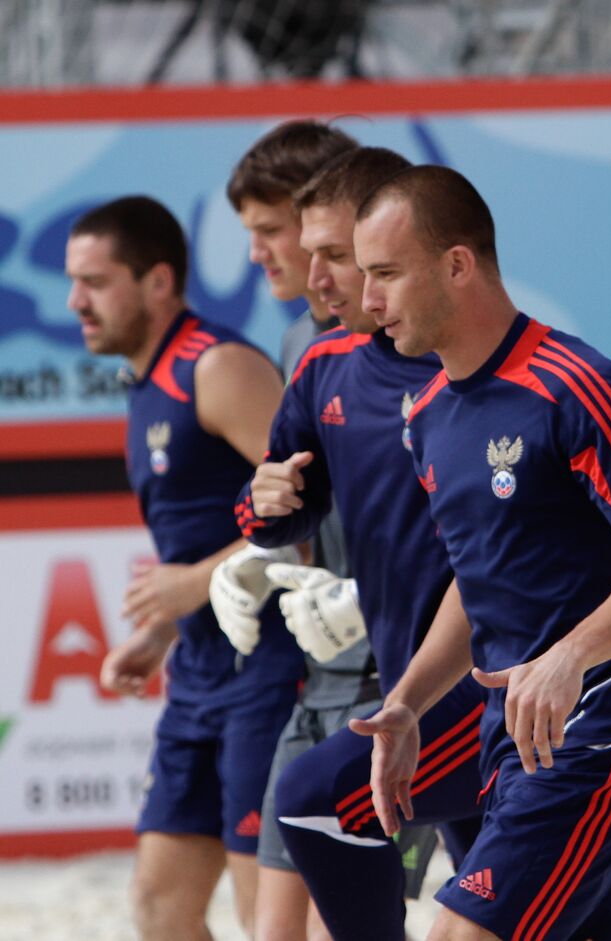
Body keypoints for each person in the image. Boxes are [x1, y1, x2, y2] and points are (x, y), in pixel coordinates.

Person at [348, 164, 611, 941]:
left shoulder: (573, 383)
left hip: (608, 737)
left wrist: (571, 655)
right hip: (512, 745)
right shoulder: (429, 413)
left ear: (458, 265)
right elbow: (481, 581)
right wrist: (407, 701)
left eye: (385, 274)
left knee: (455, 932)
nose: (367, 302)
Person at [233, 145, 486, 941]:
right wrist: (261, 507)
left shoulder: (513, 377)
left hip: (507, 702)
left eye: (336, 256)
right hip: (411, 698)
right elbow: (278, 508)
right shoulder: (323, 365)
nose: (318, 279)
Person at [68, 195, 305, 940]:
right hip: (199, 674)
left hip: (270, 676)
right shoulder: (146, 383)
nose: (76, 300)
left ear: (159, 281)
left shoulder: (218, 366)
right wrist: (168, 627)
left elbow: (317, 517)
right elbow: (214, 536)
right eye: (74, 281)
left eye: (97, 281)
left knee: (262, 915)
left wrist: (195, 581)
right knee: (159, 906)